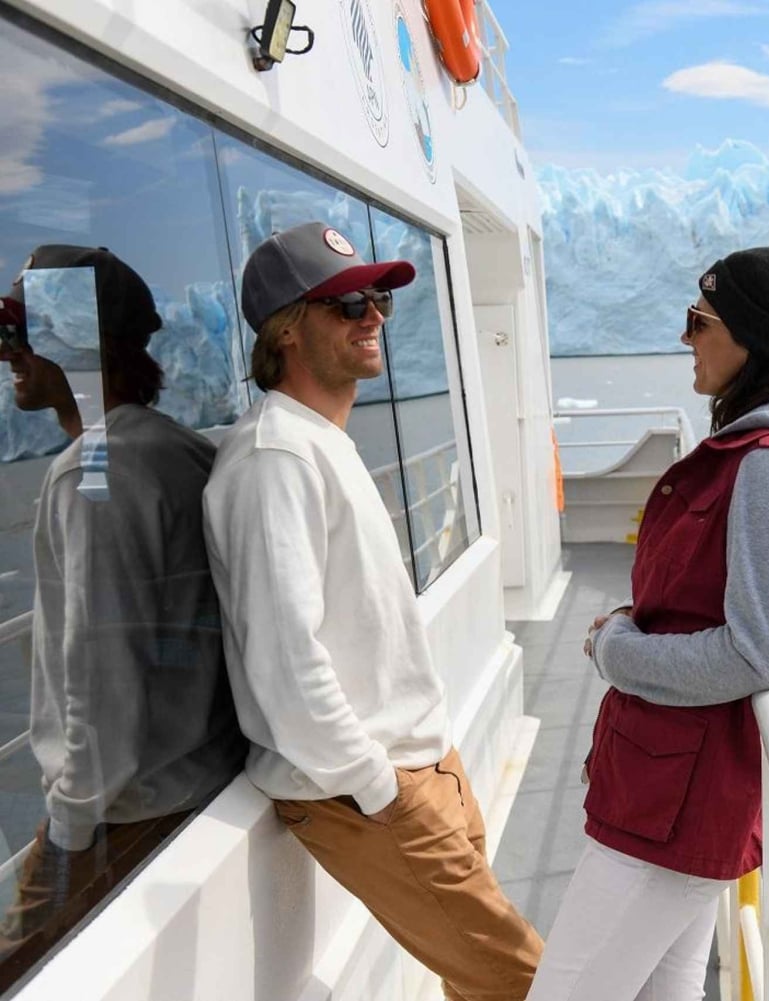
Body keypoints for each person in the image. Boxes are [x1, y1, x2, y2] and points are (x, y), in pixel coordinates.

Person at [527, 241, 769, 1000]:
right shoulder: (754, 451)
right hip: (663, 787)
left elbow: (762, 656)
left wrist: (615, 648)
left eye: (699, 320)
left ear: (753, 339)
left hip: (671, 806)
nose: (685, 336)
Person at [201, 221, 542, 1001]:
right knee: (532, 982)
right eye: (347, 302)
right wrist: (381, 787)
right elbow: (288, 659)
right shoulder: (275, 459)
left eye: (379, 300)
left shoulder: (318, 440)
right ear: (288, 329)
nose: (373, 317)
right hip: (369, 792)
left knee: (481, 984)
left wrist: (427, 765)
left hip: (425, 763)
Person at [0, 246, 245, 984]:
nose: (6, 353)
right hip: (195, 774)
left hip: (125, 807)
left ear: (74, 342)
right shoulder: (177, 448)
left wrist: (69, 827)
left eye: (19, 334)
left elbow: (99, 676)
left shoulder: (88, 475)